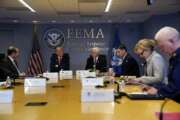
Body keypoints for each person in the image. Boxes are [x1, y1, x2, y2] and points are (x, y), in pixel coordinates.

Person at [144, 26, 180, 98]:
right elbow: (171, 83)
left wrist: (158, 90)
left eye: (162, 46)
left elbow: (177, 87)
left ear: (171, 41)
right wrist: (157, 88)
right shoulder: (175, 56)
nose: (161, 50)